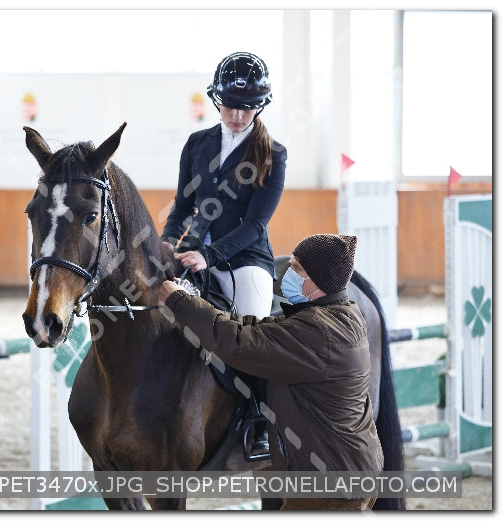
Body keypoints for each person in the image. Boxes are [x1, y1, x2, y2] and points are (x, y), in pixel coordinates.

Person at [157, 234, 383, 510]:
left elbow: (239, 343)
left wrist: (180, 303)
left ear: (317, 281)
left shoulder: (319, 332)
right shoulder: (336, 314)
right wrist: (198, 303)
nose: (288, 273)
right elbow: (258, 328)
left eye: (297, 268)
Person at [160, 51, 287, 454]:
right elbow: (183, 205)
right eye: (230, 105)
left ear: (260, 106)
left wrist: (210, 257)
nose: (237, 115)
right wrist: (169, 239)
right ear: (217, 100)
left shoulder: (273, 154)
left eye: (247, 107)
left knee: (254, 333)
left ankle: (260, 419)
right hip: (194, 253)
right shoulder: (197, 144)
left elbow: (255, 224)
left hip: (246, 259)